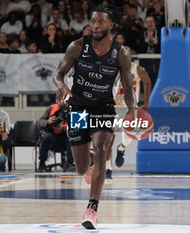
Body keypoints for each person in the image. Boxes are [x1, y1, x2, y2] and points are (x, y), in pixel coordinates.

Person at [53, 6, 135, 229]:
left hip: (103, 107)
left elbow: (128, 88)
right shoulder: (78, 46)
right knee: (80, 168)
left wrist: (134, 110)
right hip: (78, 106)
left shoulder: (122, 54)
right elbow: (58, 73)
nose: (95, 25)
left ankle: (92, 209)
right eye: (93, 22)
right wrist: (60, 85)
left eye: (100, 22)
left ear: (111, 25)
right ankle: (87, 163)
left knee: (101, 148)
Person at [104, 44, 152, 184]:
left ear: (130, 56)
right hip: (114, 108)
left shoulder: (138, 70)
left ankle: (122, 148)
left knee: (133, 134)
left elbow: (148, 83)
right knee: (109, 140)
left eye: (126, 53)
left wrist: (147, 103)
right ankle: (108, 170)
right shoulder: (112, 69)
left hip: (131, 108)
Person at [37, 103, 74, 172]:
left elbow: (78, 126)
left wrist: (63, 128)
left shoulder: (74, 108)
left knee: (71, 137)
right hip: (53, 137)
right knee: (46, 137)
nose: (64, 101)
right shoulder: (51, 108)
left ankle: (70, 163)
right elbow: (40, 122)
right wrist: (47, 122)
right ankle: (42, 163)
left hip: (66, 137)